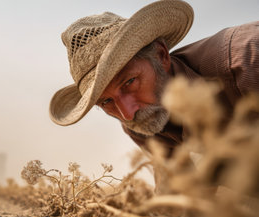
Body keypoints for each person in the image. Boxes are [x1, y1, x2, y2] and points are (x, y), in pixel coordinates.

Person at [49, 0, 259, 157]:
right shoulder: (142, 126)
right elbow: (182, 196)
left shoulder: (247, 60)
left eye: (129, 82)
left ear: (161, 55)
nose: (128, 114)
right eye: (106, 101)